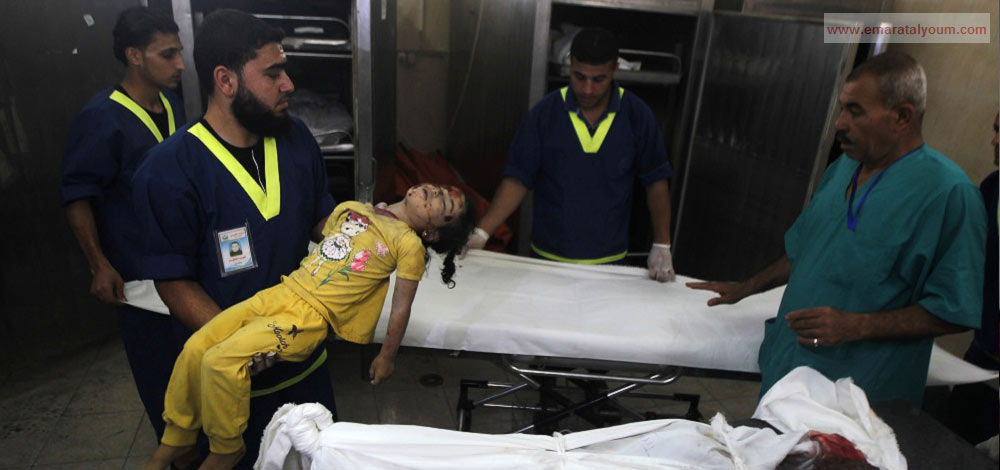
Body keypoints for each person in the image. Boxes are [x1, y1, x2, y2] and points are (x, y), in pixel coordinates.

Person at [688, 52, 986, 406]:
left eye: (855, 111)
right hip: (789, 371)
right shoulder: (844, 168)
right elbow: (807, 250)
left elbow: (954, 311)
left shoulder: (948, 194)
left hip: (862, 394)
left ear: (902, 117)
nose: (839, 123)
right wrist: (747, 287)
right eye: (842, 108)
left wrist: (856, 326)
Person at [143, 184, 475, 470]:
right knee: (198, 345)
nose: (436, 192)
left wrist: (386, 356)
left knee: (221, 361)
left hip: (306, 319)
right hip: (282, 291)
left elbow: (401, 308)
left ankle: (227, 447)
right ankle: (179, 435)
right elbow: (332, 249)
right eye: (440, 188)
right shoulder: (352, 209)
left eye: (444, 203)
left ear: (432, 233)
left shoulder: (408, 245)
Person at [131, 9, 335, 469]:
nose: (288, 85)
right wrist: (243, 342)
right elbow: (174, 281)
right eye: (273, 73)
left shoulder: (295, 139)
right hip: (229, 383)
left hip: (307, 368)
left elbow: (320, 220)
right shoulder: (168, 170)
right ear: (225, 80)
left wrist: (369, 230)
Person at [60, 6, 186, 443]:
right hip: (136, 273)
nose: (180, 64)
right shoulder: (102, 116)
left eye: (180, 52)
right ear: (134, 56)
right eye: (167, 55)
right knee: (160, 377)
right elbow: (77, 195)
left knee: (194, 371)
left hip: (179, 266)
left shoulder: (171, 104)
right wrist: (99, 264)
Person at [465, 27, 676, 281]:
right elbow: (518, 178)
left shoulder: (636, 115)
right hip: (546, 259)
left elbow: (655, 181)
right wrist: (482, 232)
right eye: (579, 77)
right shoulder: (545, 113)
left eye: (598, 79)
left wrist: (662, 244)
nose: (587, 89)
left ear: (614, 70)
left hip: (610, 264)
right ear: (570, 66)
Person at [945, 112, 999, 445]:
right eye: (996, 129)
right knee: (954, 440)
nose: (995, 140)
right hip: (982, 355)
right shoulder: (992, 189)